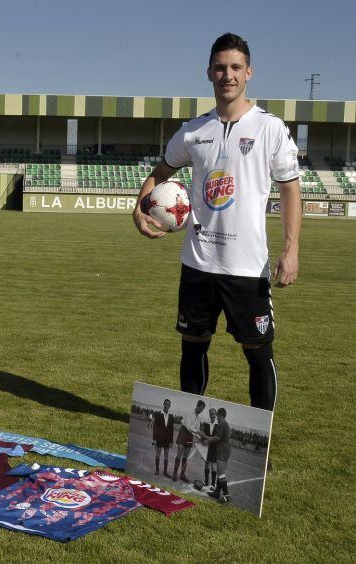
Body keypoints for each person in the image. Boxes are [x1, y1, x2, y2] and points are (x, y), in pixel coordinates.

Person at [132, 33, 302, 414]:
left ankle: (261, 442)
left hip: (246, 266)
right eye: (221, 68)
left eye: (236, 68)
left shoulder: (270, 128)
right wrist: (138, 209)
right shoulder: (193, 130)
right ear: (209, 73)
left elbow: (291, 189)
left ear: (249, 73)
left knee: (258, 353)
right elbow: (161, 172)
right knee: (192, 347)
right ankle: (189, 432)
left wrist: (290, 250)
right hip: (198, 262)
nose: (228, 75)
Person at [203, 407, 232, 503]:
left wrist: (207, 440)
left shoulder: (222, 423)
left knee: (221, 474)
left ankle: (226, 495)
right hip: (223, 450)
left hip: (223, 450)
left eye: (217, 415)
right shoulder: (224, 423)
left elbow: (217, 437)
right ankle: (216, 493)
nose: (216, 418)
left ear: (220, 415)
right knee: (220, 473)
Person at [173, 399, 205, 482]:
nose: (201, 411)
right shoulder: (189, 412)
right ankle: (175, 473)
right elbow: (188, 427)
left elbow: (197, 430)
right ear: (197, 406)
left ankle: (182, 475)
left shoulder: (198, 418)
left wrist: (201, 438)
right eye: (200, 408)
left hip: (190, 435)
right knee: (179, 454)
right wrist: (198, 432)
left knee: (186, 457)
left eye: (202, 410)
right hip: (184, 432)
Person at [152, 399, 174, 477]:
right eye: (166, 404)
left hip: (167, 440)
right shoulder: (158, 414)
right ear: (163, 404)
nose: (167, 406)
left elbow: (171, 430)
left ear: (170, 406)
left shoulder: (171, 417)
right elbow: (155, 427)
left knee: (166, 456)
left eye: (168, 404)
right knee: (158, 455)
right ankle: (157, 470)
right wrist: (154, 439)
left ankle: (165, 472)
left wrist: (171, 441)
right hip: (159, 439)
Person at [202, 408, 219, 490]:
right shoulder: (206, 424)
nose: (212, 415)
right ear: (209, 414)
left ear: (216, 414)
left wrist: (207, 440)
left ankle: (213, 484)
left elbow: (217, 438)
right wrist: (203, 440)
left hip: (215, 448)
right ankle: (206, 481)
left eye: (213, 413)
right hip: (207, 448)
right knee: (206, 464)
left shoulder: (218, 425)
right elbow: (204, 435)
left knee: (213, 466)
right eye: (210, 413)